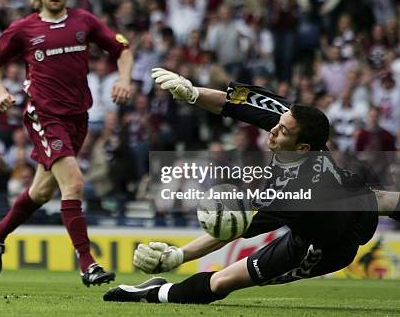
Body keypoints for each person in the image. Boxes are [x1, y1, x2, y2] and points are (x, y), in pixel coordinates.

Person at [103, 67, 400, 304]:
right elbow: (235, 103)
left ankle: (156, 293)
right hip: (347, 200)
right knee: (382, 199)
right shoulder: (295, 120)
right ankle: (154, 291)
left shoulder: (301, 190)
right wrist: (192, 93)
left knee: (222, 281)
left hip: (320, 248)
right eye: (279, 121)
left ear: (302, 149)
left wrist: (178, 256)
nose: (272, 129)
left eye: (282, 131)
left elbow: (235, 227)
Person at [0, 0, 133, 286]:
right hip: (44, 115)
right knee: (74, 184)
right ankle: (87, 263)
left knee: (40, 191)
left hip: (78, 116)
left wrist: (124, 79)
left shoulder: (84, 22)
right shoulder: (24, 28)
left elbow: (122, 48)